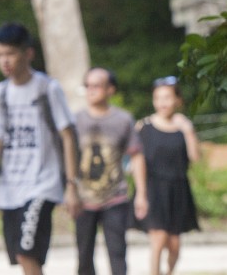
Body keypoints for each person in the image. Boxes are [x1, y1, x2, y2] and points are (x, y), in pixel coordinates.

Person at [0, 21, 81, 275]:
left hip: (42, 184)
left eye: (10, 53)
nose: (5, 61)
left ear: (28, 53)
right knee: (24, 257)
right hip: (10, 186)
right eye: (0, 54)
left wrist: (71, 185)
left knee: (27, 251)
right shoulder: (1, 94)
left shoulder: (47, 88)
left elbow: (68, 136)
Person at [75, 67, 148, 275]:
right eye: (87, 85)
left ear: (110, 90)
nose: (91, 90)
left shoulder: (123, 119)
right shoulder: (75, 120)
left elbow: (137, 155)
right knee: (84, 256)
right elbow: (67, 157)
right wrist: (68, 189)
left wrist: (141, 194)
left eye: (97, 85)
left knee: (117, 254)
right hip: (83, 199)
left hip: (115, 198)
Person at [137, 76, 199, 275]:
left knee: (174, 244)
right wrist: (141, 193)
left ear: (177, 100)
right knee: (159, 238)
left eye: (167, 97)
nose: (162, 102)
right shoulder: (143, 127)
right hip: (154, 189)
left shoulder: (183, 127)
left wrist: (188, 130)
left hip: (178, 189)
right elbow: (133, 161)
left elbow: (195, 158)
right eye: (158, 98)